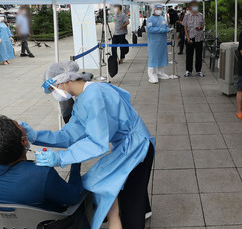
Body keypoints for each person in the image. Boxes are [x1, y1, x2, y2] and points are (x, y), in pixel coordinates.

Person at [20, 61, 155, 229]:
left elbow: (98, 142)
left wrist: (62, 157)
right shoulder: (84, 98)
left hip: (137, 148)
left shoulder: (94, 95)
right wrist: (36, 136)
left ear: (64, 80)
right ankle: (135, 213)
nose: (55, 93)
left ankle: (133, 218)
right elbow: (70, 134)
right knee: (122, 190)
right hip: (127, 147)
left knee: (128, 201)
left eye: (54, 88)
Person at [0, 115, 84, 214]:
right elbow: (73, 197)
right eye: (19, 126)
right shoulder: (41, 174)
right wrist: (74, 160)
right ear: (23, 142)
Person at [146, 4, 171, 84]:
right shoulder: (150, 19)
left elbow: (166, 26)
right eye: (158, 8)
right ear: (154, 9)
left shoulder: (162, 18)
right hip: (154, 43)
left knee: (161, 57)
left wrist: (167, 29)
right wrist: (161, 30)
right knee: (153, 58)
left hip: (162, 42)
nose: (159, 10)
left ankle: (160, 73)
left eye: (161, 8)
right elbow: (150, 29)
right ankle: (151, 75)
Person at [182, 1, 205, 77]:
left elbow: (203, 25)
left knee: (199, 55)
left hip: (199, 38)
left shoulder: (201, 15)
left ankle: (198, 70)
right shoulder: (187, 15)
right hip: (190, 38)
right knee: (189, 55)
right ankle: (188, 70)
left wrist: (200, 27)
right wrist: (187, 37)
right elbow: (185, 27)